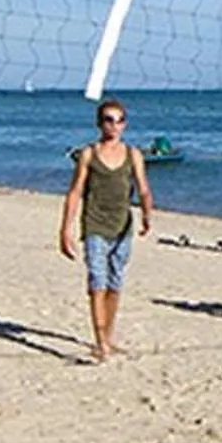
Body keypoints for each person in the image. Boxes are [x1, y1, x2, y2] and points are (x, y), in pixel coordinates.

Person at [58, 98, 153, 362]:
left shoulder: (133, 154)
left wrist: (147, 214)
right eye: (109, 119)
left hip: (123, 226)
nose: (114, 125)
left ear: (125, 124)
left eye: (119, 120)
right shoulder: (89, 153)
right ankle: (100, 342)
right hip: (95, 225)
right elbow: (75, 192)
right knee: (96, 284)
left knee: (114, 284)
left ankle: (108, 337)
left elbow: (143, 188)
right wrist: (65, 230)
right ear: (99, 123)